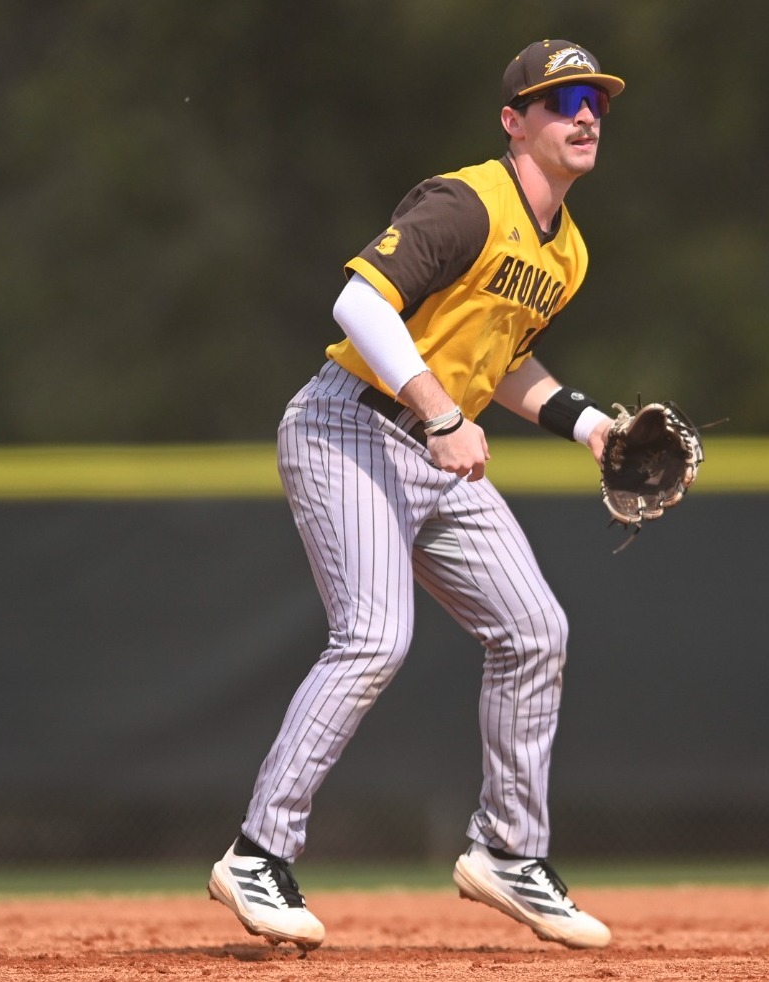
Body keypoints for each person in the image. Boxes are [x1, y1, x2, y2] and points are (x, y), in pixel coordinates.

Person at [206, 39, 626, 952]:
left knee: (534, 630)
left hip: (435, 453)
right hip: (347, 427)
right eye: (560, 101)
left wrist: (590, 426)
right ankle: (255, 854)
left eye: (593, 97)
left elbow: (501, 362)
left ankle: (509, 853)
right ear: (514, 121)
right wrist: (440, 414)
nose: (584, 113)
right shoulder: (466, 200)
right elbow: (360, 305)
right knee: (373, 636)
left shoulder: (569, 253)